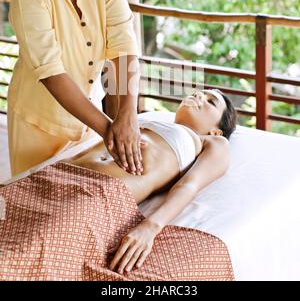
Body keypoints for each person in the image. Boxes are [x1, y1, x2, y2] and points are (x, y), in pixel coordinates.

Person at [7, 0, 143, 177]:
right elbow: (50, 70)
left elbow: (122, 47)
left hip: (89, 119)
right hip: (39, 123)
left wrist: (127, 115)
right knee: (36, 208)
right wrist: (109, 129)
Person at [66, 88, 237, 275]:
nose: (199, 96)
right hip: (61, 173)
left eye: (211, 102)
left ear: (216, 131)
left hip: (98, 194)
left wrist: (150, 228)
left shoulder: (212, 142)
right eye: (200, 93)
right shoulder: (144, 119)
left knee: (35, 245)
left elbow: (189, 185)